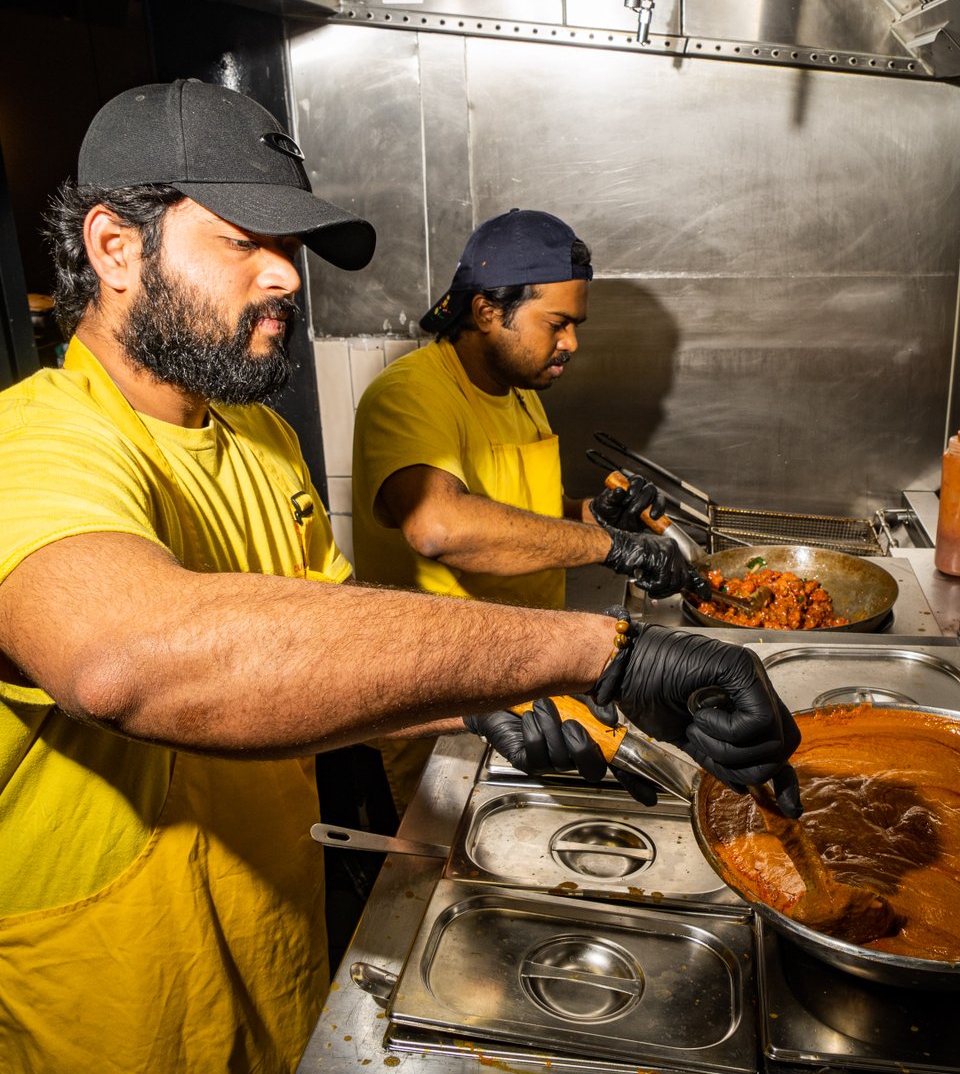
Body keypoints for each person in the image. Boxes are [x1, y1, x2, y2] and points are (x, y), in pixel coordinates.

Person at [0, 79, 800, 1074]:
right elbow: (123, 659)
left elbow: (326, 630)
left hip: (271, 931)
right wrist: (601, 653)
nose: (286, 276)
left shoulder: (258, 438)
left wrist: (480, 701)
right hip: (115, 993)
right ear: (116, 248)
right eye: (244, 241)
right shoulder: (34, 445)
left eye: (290, 247)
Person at [351, 207, 699, 810]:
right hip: (444, 703)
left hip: (523, 672)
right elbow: (440, 526)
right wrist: (611, 548)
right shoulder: (410, 393)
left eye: (575, 326)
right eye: (557, 324)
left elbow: (516, 512)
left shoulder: (518, 392)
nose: (571, 344)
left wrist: (593, 515)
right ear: (488, 311)